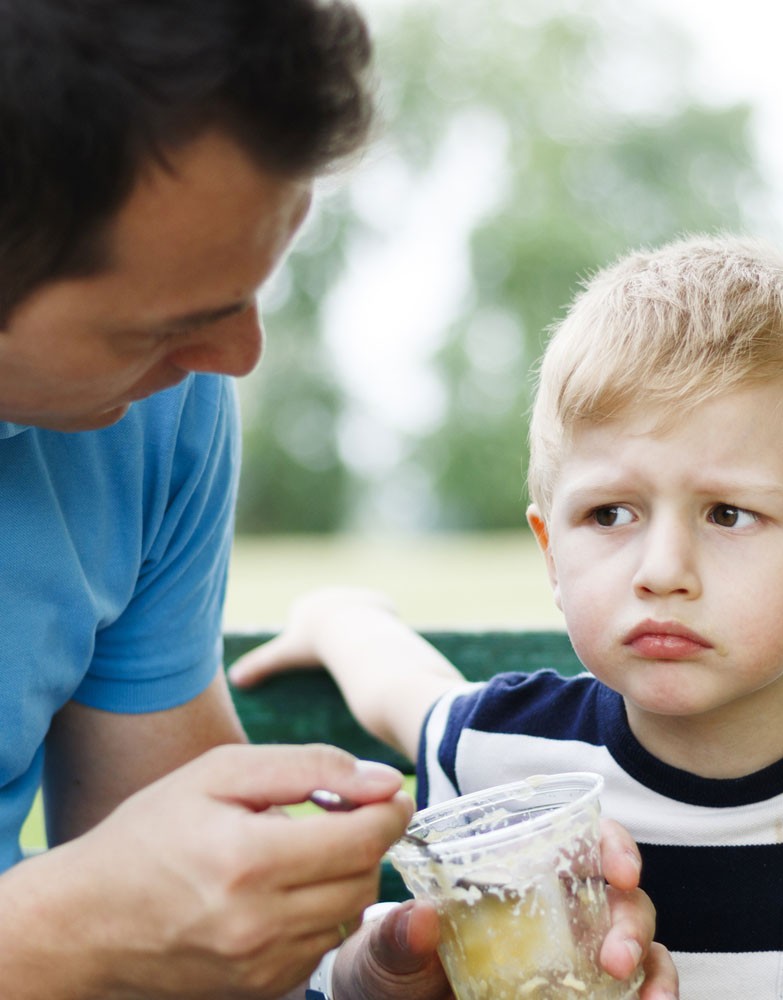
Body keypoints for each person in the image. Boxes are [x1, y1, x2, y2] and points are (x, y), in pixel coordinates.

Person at [0, 2, 676, 998]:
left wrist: (384, 969)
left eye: (245, 292)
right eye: (164, 324)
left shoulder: (149, 414)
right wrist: (57, 931)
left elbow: (178, 951)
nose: (236, 359)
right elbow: (94, 934)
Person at [231, 233, 783, 1000]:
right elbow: (411, 696)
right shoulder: (509, 762)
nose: (661, 570)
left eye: (728, 514)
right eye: (610, 513)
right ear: (551, 556)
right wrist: (340, 617)